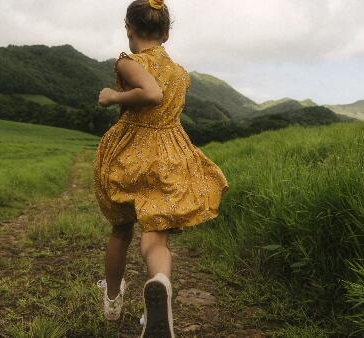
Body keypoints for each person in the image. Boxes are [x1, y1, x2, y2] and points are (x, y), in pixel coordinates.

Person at [93, 0, 229, 336]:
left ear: (128, 28)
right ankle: (161, 283)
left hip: (131, 153)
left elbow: (150, 93)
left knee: (121, 230)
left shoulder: (129, 62)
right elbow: (164, 98)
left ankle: (112, 300)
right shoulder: (180, 73)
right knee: (155, 239)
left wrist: (112, 96)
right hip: (169, 157)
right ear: (166, 33)